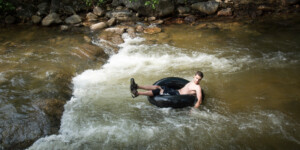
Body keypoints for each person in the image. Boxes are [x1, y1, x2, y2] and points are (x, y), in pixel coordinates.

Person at [130, 71, 204, 108]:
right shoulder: (191, 82)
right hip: (175, 91)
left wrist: (194, 110)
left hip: (177, 95)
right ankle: (136, 86)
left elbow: (199, 100)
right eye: (196, 78)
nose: (197, 80)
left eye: (199, 79)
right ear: (194, 76)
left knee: (158, 90)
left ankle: (137, 93)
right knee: (157, 86)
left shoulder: (197, 87)